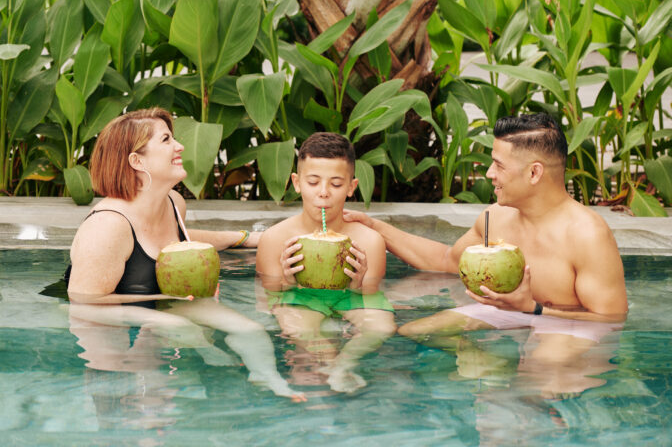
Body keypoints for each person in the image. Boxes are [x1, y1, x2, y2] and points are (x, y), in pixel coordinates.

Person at [344, 113, 628, 394]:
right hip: (512, 311)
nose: (490, 174)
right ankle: (493, 363)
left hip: (565, 321)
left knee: (540, 370)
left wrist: (533, 310)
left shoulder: (586, 234)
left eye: (498, 165)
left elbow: (611, 318)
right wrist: (377, 227)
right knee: (416, 330)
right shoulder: (497, 217)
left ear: (534, 172)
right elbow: (446, 261)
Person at [67, 107, 301, 399]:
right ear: (137, 160)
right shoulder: (108, 226)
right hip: (111, 316)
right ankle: (208, 353)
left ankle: (268, 379)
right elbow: (83, 303)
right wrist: (162, 309)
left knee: (250, 330)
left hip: (167, 301)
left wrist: (248, 238)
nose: (179, 146)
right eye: (166, 140)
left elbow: (179, 242)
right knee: (166, 351)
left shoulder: (173, 202)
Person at [256, 132, 397, 393]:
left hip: (349, 297)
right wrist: (287, 283)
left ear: (351, 187)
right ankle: (331, 364)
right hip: (302, 297)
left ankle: (345, 365)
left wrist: (357, 285)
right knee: (296, 326)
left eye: (335, 184)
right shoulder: (275, 239)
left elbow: (370, 295)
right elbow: (268, 299)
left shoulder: (369, 240)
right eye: (313, 182)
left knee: (381, 327)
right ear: (297, 183)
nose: (323, 193)